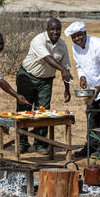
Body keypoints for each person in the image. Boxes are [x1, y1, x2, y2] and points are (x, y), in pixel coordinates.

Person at [64, 21, 100, 158]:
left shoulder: (99, 45)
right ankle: (90, 146)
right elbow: (80, 66)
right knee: (91, 114)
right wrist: (83, 78)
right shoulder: (75, 48)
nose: (77, 39)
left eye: (79, 35)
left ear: (84, 33)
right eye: (74, 37)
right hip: (94, 86)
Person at [16, 18, 73, 155]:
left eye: (58, 29)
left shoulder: (62, 46)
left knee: (43, 111)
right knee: (24, 110)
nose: (55, 32)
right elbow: (48, 58)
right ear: (47, 29)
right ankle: (22, 143)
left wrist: (67, 90)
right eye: (52, 29)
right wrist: (62, 70)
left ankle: (40, 143)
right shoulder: (38, 40)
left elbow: (66, 69)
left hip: (46, 81)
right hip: (27, 77)